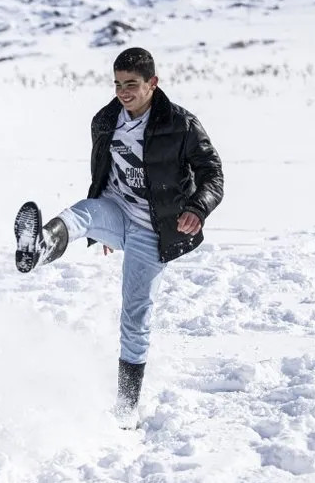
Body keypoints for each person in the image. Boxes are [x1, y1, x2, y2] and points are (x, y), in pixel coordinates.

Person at [14, 47, 223, 428]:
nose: (123, 92)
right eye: (117, 84)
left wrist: (197, 207)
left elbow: (212, 172)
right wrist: (103, 228)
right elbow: (103, 173)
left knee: (135, 316)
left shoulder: (180, 123)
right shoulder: (106, 119)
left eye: (131, 85)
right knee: (81, 213)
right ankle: (39, 246)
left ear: (152, 84)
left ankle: (126, 409)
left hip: (154, 230)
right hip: (115, 209)